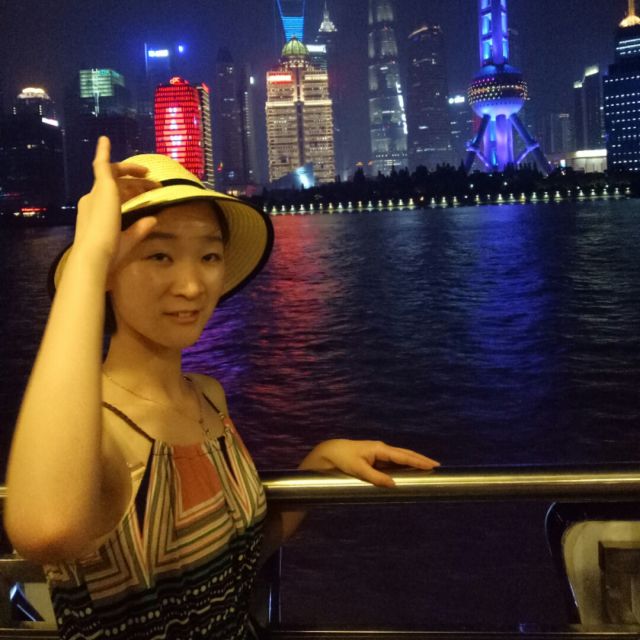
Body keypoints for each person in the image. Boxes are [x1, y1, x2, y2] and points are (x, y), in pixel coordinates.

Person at [4, 137, 440, 640]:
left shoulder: (207, 396)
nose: (192, 286)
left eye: (209, 256)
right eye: (160, 256)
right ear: (107, 271)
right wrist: (88, 256)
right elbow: (46, 529)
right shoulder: (97, 428)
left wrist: (317, 465)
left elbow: (229, 561)